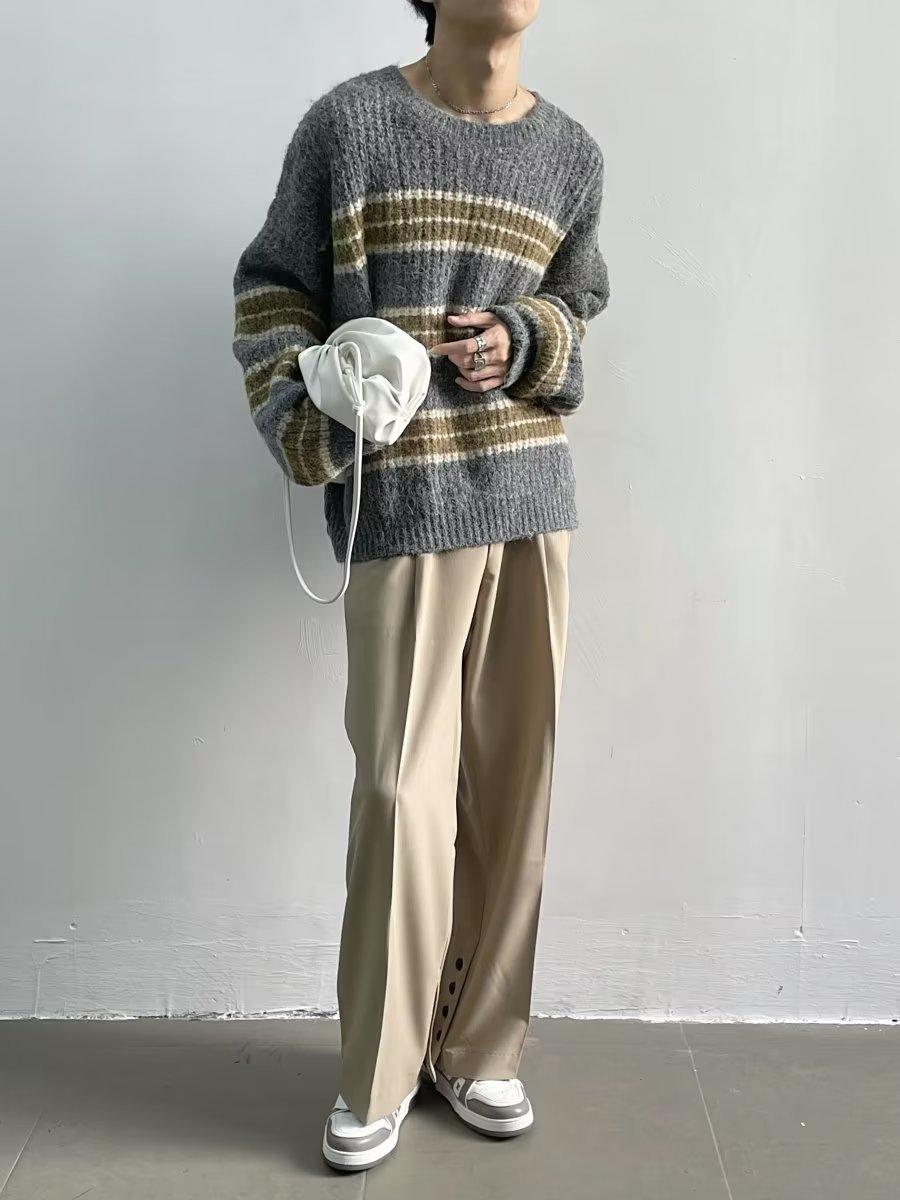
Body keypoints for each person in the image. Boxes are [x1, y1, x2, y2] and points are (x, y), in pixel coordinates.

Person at [231, 0, 610, 1172]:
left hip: (529, 497)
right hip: (402, 502)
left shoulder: (570, 153)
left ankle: (480, 1047)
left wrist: (525, 339)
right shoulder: (350, 126)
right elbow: (271, 292)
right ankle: (383, 1068)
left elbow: (579, 306)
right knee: (401, 791)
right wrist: (312, 424)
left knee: (516, 787)